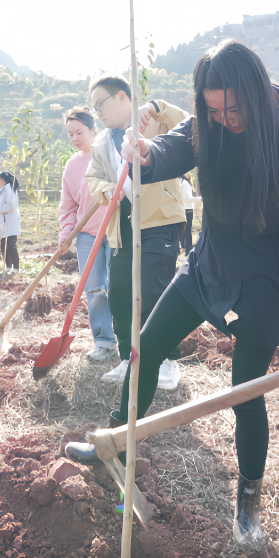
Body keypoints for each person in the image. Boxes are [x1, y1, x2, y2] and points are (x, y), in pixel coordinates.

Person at [66, 41, 279, 549]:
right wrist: (147, 153)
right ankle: (112, 445)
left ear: (256, 92)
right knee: (145, 347)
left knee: (245, 393)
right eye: (213, 110)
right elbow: (179, 145)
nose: (224, 119)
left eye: (232, 109)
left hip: (265, 282)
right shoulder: (210, 120)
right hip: (208, 264)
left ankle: (248, 502)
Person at [84, 76, 189, 389]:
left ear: (121, 97)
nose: (97, 112)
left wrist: (157, 108)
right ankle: (129, 358)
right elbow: (94, 179)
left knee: (154, 292)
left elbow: (188, 125)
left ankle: (166, 361)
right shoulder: (102, 142)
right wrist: (107, 190)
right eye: (93, 107)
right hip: (122, 227)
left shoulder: (153, 121)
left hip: (158, 220)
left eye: (100, 103)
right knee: (120, 294)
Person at [59, 106, 117, 361]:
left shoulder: (110, 156)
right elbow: (69, 206)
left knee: (117, 287)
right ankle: (104, 342)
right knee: (93, 290)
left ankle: (125, 338)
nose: (74, 138)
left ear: (94, 129)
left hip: (115, 230)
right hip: (86, 236)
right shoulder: (71, 166)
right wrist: (66, 232)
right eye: (70, 134)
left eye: (79, 132)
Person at [0, 171, 20, 273]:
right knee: (4, 246)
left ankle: (16, 268)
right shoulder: (6, 189)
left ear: (3, 180)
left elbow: (10, 205)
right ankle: (8, 267)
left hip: (10, 222)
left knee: (10, 245)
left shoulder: (8, 188)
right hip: (6, 221)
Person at [177, 175, 199, 256]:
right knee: (187, 231)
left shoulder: (180, 182)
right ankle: (188, 249)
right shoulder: (185, 183)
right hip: (188, 209)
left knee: (183, 230)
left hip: (183, 209)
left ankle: (183, 248)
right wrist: (200, 199)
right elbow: (187, 198)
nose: (189, 173)